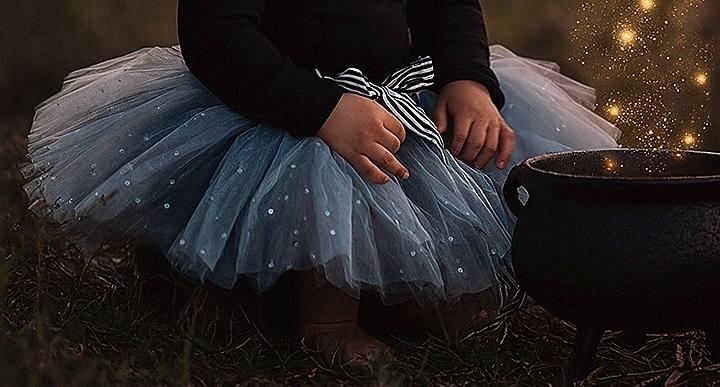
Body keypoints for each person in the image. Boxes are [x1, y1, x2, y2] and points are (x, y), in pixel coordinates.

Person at [22, 0, 621, 365]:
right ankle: (324, 321)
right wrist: (322, 111)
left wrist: (466, 78)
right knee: (331, 173)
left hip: (397, 91)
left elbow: (447, 7)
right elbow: (218, 36)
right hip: (282, 102)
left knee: (450, 165)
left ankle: (401, 294)